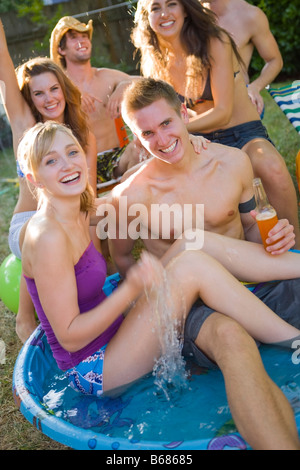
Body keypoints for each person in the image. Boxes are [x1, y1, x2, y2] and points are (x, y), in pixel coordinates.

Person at [19, 120, 300, 450]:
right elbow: (68, 335)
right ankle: (293, 339)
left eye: (72, 152)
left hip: (116, 337)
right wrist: (130, 288)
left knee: (192, 242)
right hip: (96, 369)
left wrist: (184, 146)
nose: (67, 165)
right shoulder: (47, 236)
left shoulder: (77, 209)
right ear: (34, 178)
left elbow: (129, 197)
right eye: (52, 161)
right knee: (192, 265)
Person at [131, 0, 300, 248]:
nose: (164, 13)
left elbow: (222, 112)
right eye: (155, 7)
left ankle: (295, 250)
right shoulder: (153, 60)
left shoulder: (214, 41)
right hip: (198, 138)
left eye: (172, 4)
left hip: (242, 133)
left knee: (271, 166)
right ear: (147, 17)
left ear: (185, 9)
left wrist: (179, 130)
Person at [0, 19, 97, 342]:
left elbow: (90, 193)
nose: (49, 98)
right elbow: (4, 63)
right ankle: (25, 317)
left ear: (64, 90)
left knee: (95, 217)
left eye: (54, 89)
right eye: (38, 93)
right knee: (47, 226)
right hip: (30, 225)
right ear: (29, 98)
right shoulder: (25, 125)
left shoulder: (82, 136)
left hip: (72, 218)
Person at [49, 16, 143, 184]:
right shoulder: (57, 88)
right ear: (61, 50)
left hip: (117, 159)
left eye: (84, 36)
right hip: (76, 165)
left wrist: (124, 86)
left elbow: (147, 83)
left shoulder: (106, 76)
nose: (82, 41)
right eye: (74, 37)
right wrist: (71, 96)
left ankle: (133, 199)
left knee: (140, 148)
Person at [202, 0, 283, 117]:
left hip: (238, 99)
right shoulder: (188, 14)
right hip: (199, 102)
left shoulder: (250, 15)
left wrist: (255, 87)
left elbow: (275, 60)